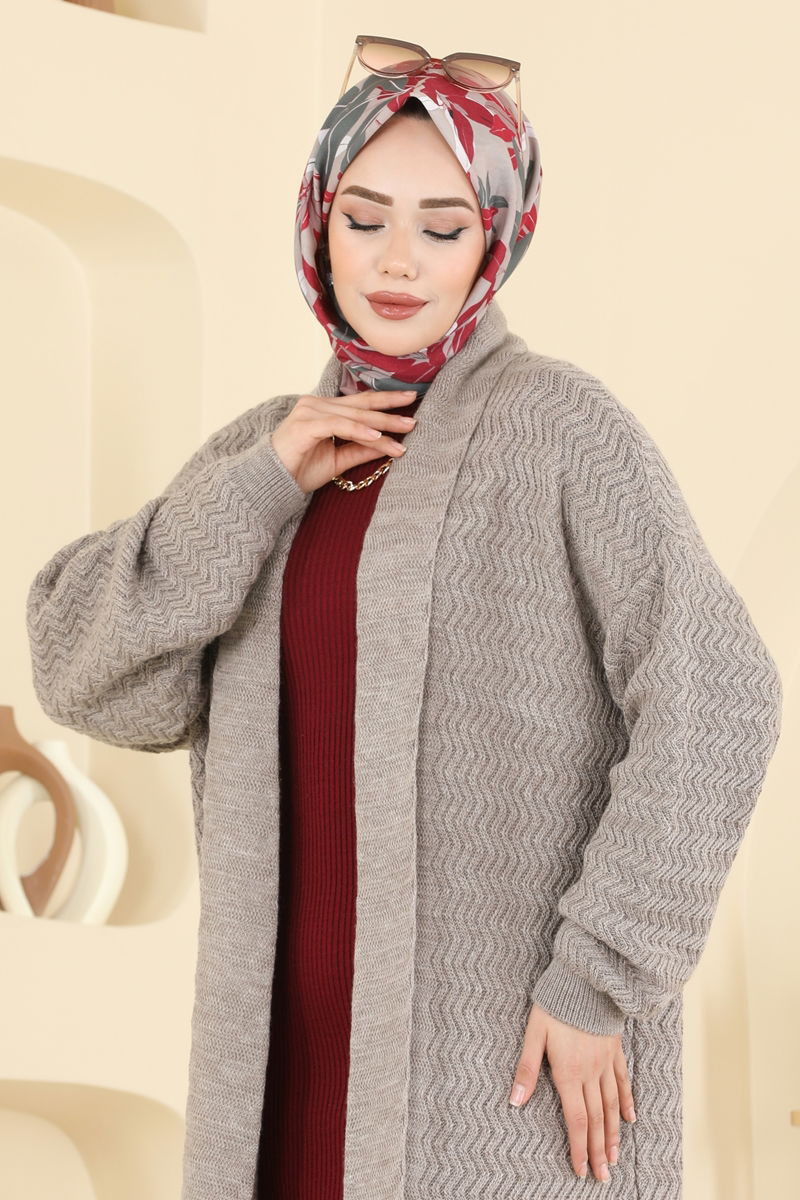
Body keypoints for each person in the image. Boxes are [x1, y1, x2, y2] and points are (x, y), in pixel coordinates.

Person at [25, 46, 782, 1200]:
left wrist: (597, 980)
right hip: (274, 1081)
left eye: (441, 226)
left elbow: (717, 692)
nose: (394, 260)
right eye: (365, 217)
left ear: (494, 240)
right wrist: (258, 486)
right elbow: (84, 674)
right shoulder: (269, 447)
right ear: (316, 223)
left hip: (496, 1076)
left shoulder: (558, 428)